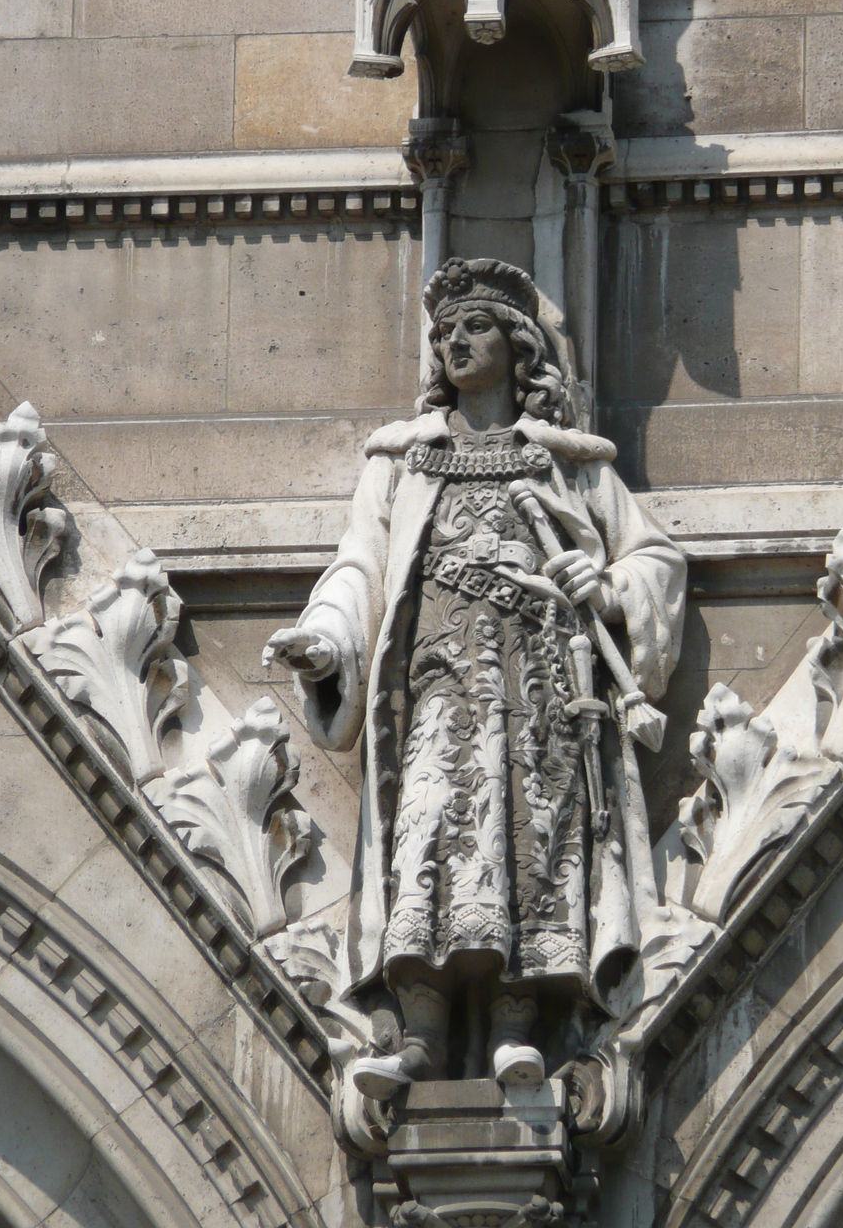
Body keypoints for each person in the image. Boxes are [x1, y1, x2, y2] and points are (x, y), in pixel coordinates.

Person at [263, 257, 685, 1098]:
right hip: (438, 689)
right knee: (427, 839)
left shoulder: (571, 465)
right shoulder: (403, 462)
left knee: (532, 847)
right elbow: (361, 568)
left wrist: (607, 589)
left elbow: (655, 560)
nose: (455, 343)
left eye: (476, 328)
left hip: (541, 693)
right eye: (444, 335)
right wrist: (326, 639)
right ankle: (421, 1034)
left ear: (519, 348)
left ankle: (514, 1027)